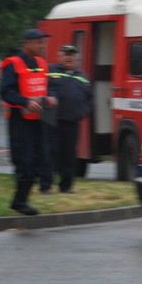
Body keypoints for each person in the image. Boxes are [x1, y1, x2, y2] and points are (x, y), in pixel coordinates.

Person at [0, 29, 58, 215]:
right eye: (39, 42)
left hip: (38, 119)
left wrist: (50, 97)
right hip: (19, 121)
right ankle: (20, 201)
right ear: (27, 43)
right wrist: (25, 102)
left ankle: (22, 199)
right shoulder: (13, 64)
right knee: (25, 162)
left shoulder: (42, 64)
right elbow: (5, 92)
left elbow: (49, 87)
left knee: (41, 160)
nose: (42, 46)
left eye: (43, 42)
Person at [46, 45, 92, 193]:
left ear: (77, 59)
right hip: (52, 121)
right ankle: (46, 184)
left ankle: (66, 186)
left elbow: (90, 99)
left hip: (72, 122)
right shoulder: (50, 71)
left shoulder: (83, 77)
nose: (69, 58)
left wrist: (82, 112)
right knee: (51, 152)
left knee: (69, 154)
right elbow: (42, 88)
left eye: (72, 55)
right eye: (66, 54)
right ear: (59, 56)